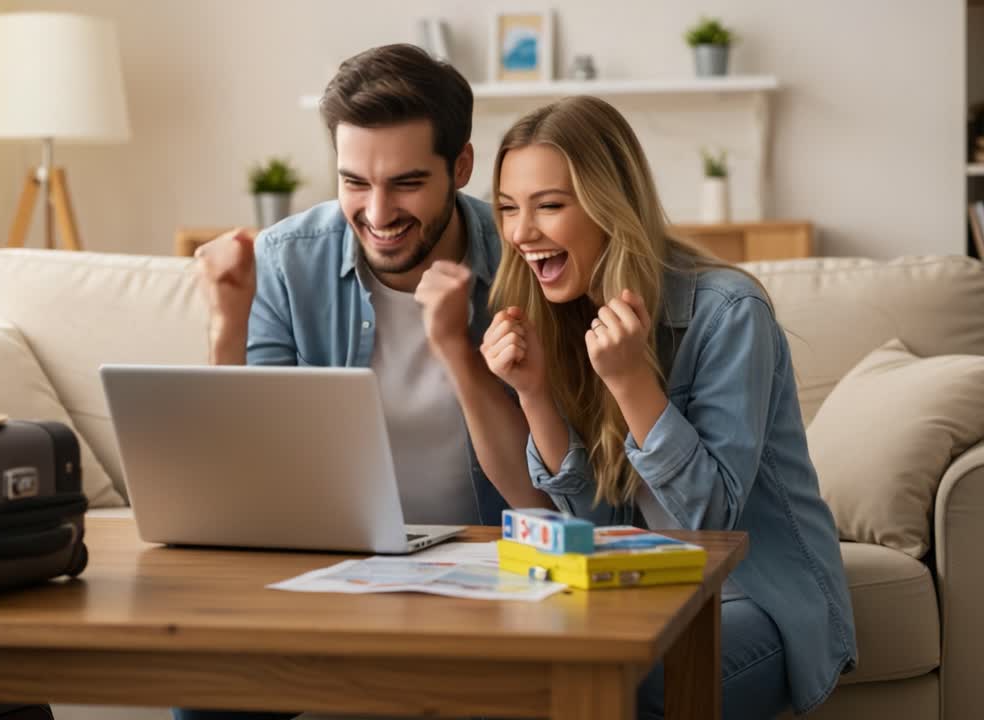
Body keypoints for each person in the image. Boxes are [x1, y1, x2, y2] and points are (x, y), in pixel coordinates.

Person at [179, 43, 546, 720]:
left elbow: (548, 491)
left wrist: (458, 347)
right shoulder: (287, 262)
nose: (377, 213)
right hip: (329, 572)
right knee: (206, 696)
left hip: (490, 573)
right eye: (354, 182)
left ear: (460, 166)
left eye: (406, 182)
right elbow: (246, 475)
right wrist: (225, 330)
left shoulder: (527, 263)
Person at [475, 96, 857, 719]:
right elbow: (595, 534)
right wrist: (534, 393)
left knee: (624, 685)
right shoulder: (564, 315)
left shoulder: (731, 313)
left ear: (608, 203)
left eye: (549, 205)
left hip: (756, 597)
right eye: (508, 209)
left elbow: (707, 526)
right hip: (637, 591)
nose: (521, 233)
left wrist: (631, 384)